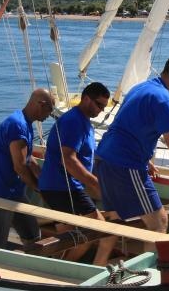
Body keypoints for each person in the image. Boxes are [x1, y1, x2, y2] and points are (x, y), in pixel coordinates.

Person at [95, 51, 169, 237]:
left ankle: (102, 256)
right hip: (125, 164)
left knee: (115, 220)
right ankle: (153, 258)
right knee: (159, 222)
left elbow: (128, 126)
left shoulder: (140, 88)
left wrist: (146, 160)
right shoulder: (163, 99)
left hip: (104, 159)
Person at [38, 82, 115, 266]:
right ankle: (72, 269)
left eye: (104, 107)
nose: (101, 110)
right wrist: (96, 184)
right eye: (99, 105)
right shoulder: (74, 121)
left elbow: (89, 155)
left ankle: (56, 268)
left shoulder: (84, 122)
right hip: (63, 187)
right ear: (86, 98)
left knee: (69, 237)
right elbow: (68, 159)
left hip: (60, 187)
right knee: (100, 229)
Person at [0, 88, 55, 250]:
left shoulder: (25, 123)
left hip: (13, 192)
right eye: (50, 110)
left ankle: (31, 261)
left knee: (32, 234)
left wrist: (44, 179)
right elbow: (20, 167)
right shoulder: (17, 125)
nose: (49, 115)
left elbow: (28, 158)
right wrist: (39, 189)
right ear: (41, 104)